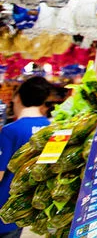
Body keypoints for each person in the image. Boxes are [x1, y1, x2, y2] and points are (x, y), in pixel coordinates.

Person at [0, 77, 52, 238]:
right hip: (25, 207)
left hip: (2, 207)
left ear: (18, 97)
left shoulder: (11, 131)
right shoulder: (52, 129)